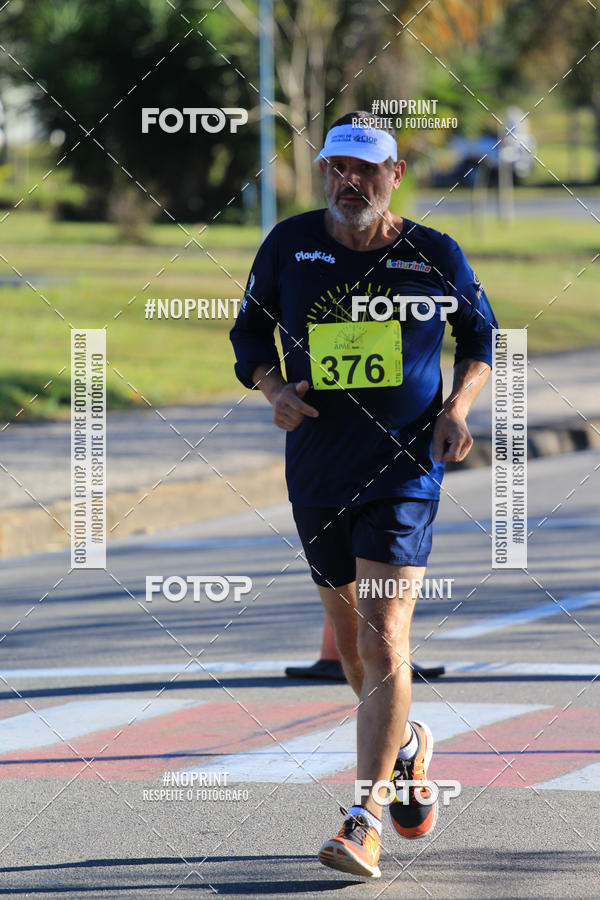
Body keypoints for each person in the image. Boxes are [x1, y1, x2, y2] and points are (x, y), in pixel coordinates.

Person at [230, 110, 497, 879]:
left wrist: (458, 408)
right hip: (316, 467)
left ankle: (364, 816)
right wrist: (274, 386)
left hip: (406, 470)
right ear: (324, 176)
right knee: (350, 645)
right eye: (336, 170)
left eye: (366, 171)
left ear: (395, 175)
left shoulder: (433, 253)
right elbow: (249, 333)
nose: (350, 184)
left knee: (384, 633)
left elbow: (480, 336)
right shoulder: (290, 244)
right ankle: (408, 744)